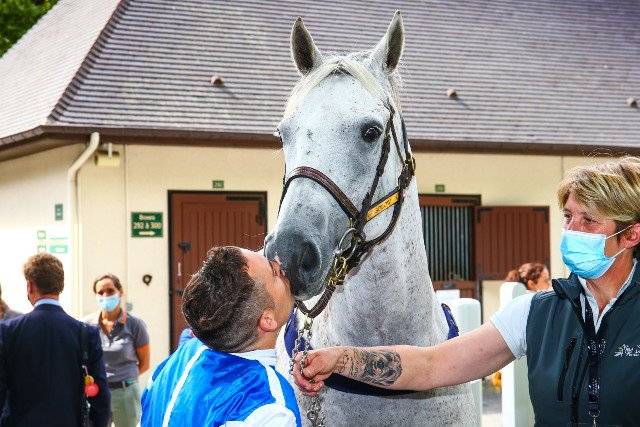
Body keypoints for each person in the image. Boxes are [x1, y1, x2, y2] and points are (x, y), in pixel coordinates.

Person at [293, 156, 640, 426]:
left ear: (630, 235)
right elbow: (432, 365)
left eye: (588, 220)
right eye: (567, 216)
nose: (572, 230)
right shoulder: (536, 312)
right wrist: (340, 359)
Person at [141, 246, 301, 426]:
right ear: (267, 319)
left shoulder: (174, 363)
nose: (279, 266)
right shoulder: (269, 409)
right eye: (274, 273)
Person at [0, 253, 110, 426]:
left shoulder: (8, 331)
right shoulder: (85, 333)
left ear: (30, 286)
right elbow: (101, 397)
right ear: (61, 286)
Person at [83, 273, 150, 427]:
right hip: (96, 393)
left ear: (120, 292)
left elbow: (145, 363)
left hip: (126, 393)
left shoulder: (135, 324)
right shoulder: (86, 325)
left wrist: (124, 378)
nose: (105, 296)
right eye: (100, 292)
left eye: (110, 291)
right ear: (95, 296)